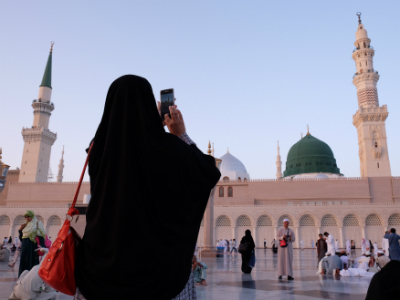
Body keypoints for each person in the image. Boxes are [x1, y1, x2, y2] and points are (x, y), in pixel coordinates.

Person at [74, 75, 221, 300]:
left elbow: (121, 137)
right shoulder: (169, 149)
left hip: (98, 273)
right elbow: (208, 171)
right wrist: (180, 134)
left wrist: (147, 123)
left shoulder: (97, 152)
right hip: (157, 277)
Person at [18, 210, 45, 277]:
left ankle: (32, 278)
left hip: (32, 246)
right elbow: (21, 238)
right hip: (24, 246)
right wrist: (20, 229)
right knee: (24, 261)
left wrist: (41, 247)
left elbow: (42, 235)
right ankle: (23, 277)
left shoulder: (37, 223)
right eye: (26, 217)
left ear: (32, 216)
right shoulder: (25, 225)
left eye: (29, 216)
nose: (27, 218)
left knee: (32, 261)